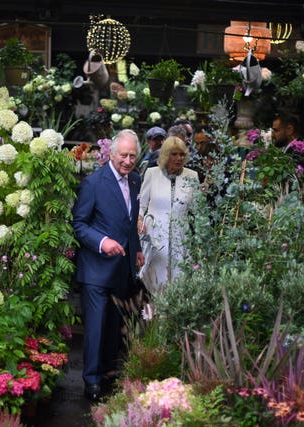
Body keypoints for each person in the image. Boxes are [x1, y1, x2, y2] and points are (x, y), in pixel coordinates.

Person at [71, 129, 145, 402]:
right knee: (95, 328)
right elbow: (78, 224)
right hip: (96, 270)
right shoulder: (93, 182)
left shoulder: (136, 181)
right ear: (111, 154)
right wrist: (102, 242)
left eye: (132, 156)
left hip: (122, 269)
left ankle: (106, 375)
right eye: (123, 155)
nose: (127, 160)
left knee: (114, 327)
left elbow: (129, 222)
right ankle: (91, 382)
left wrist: (135, 250)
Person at [137, 136, 199, 294]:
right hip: (155, 238)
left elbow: (198, 211)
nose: (179, 158)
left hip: (181, 238)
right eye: (174, 154)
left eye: (182, 155)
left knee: (180, 280)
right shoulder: (152, 173)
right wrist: (139, 221)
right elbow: (141, 205)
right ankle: (154, 315)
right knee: (155, 280)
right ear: (165, 155)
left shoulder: (192, 176)